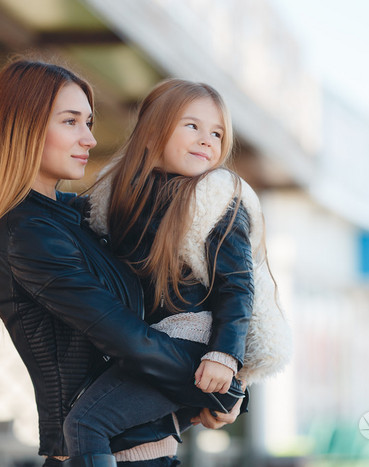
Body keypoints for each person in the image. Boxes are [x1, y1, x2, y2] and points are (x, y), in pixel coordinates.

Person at [0, 58, 242, 467]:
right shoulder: (28, 234)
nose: (89, 139)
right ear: (24, 127)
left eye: (88, 122)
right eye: (71, 121)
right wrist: (219, 388)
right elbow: (127, 338)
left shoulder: (79, 216)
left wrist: (219, 373)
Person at [66, 78, 292, 461]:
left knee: (85, 425)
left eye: (217, 133)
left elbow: (237, 286)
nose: (207, 139)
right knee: (130, 443)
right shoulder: (119, 197)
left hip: (192, 345)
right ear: (153, 132)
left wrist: (224, 356)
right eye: (193, 126)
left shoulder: (215, 199)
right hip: (149, 344)